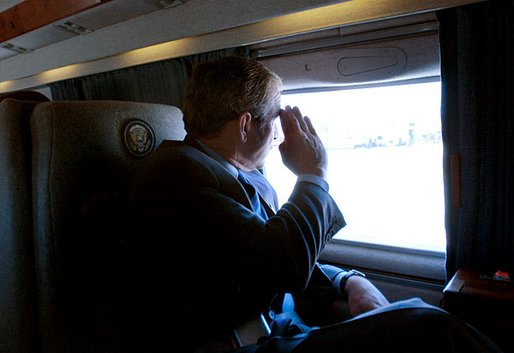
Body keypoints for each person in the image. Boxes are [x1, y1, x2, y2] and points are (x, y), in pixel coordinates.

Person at [126, 56, 502, 353]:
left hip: (277, 329)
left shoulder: (238, 174)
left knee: (419, 320)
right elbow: (281, 265)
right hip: (231, 345)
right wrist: (312, 174)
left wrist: (347, 280)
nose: (278, 135)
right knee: (426, 324)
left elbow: (266, 251)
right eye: (276, 118)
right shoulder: (174, 177)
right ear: (244, 125)